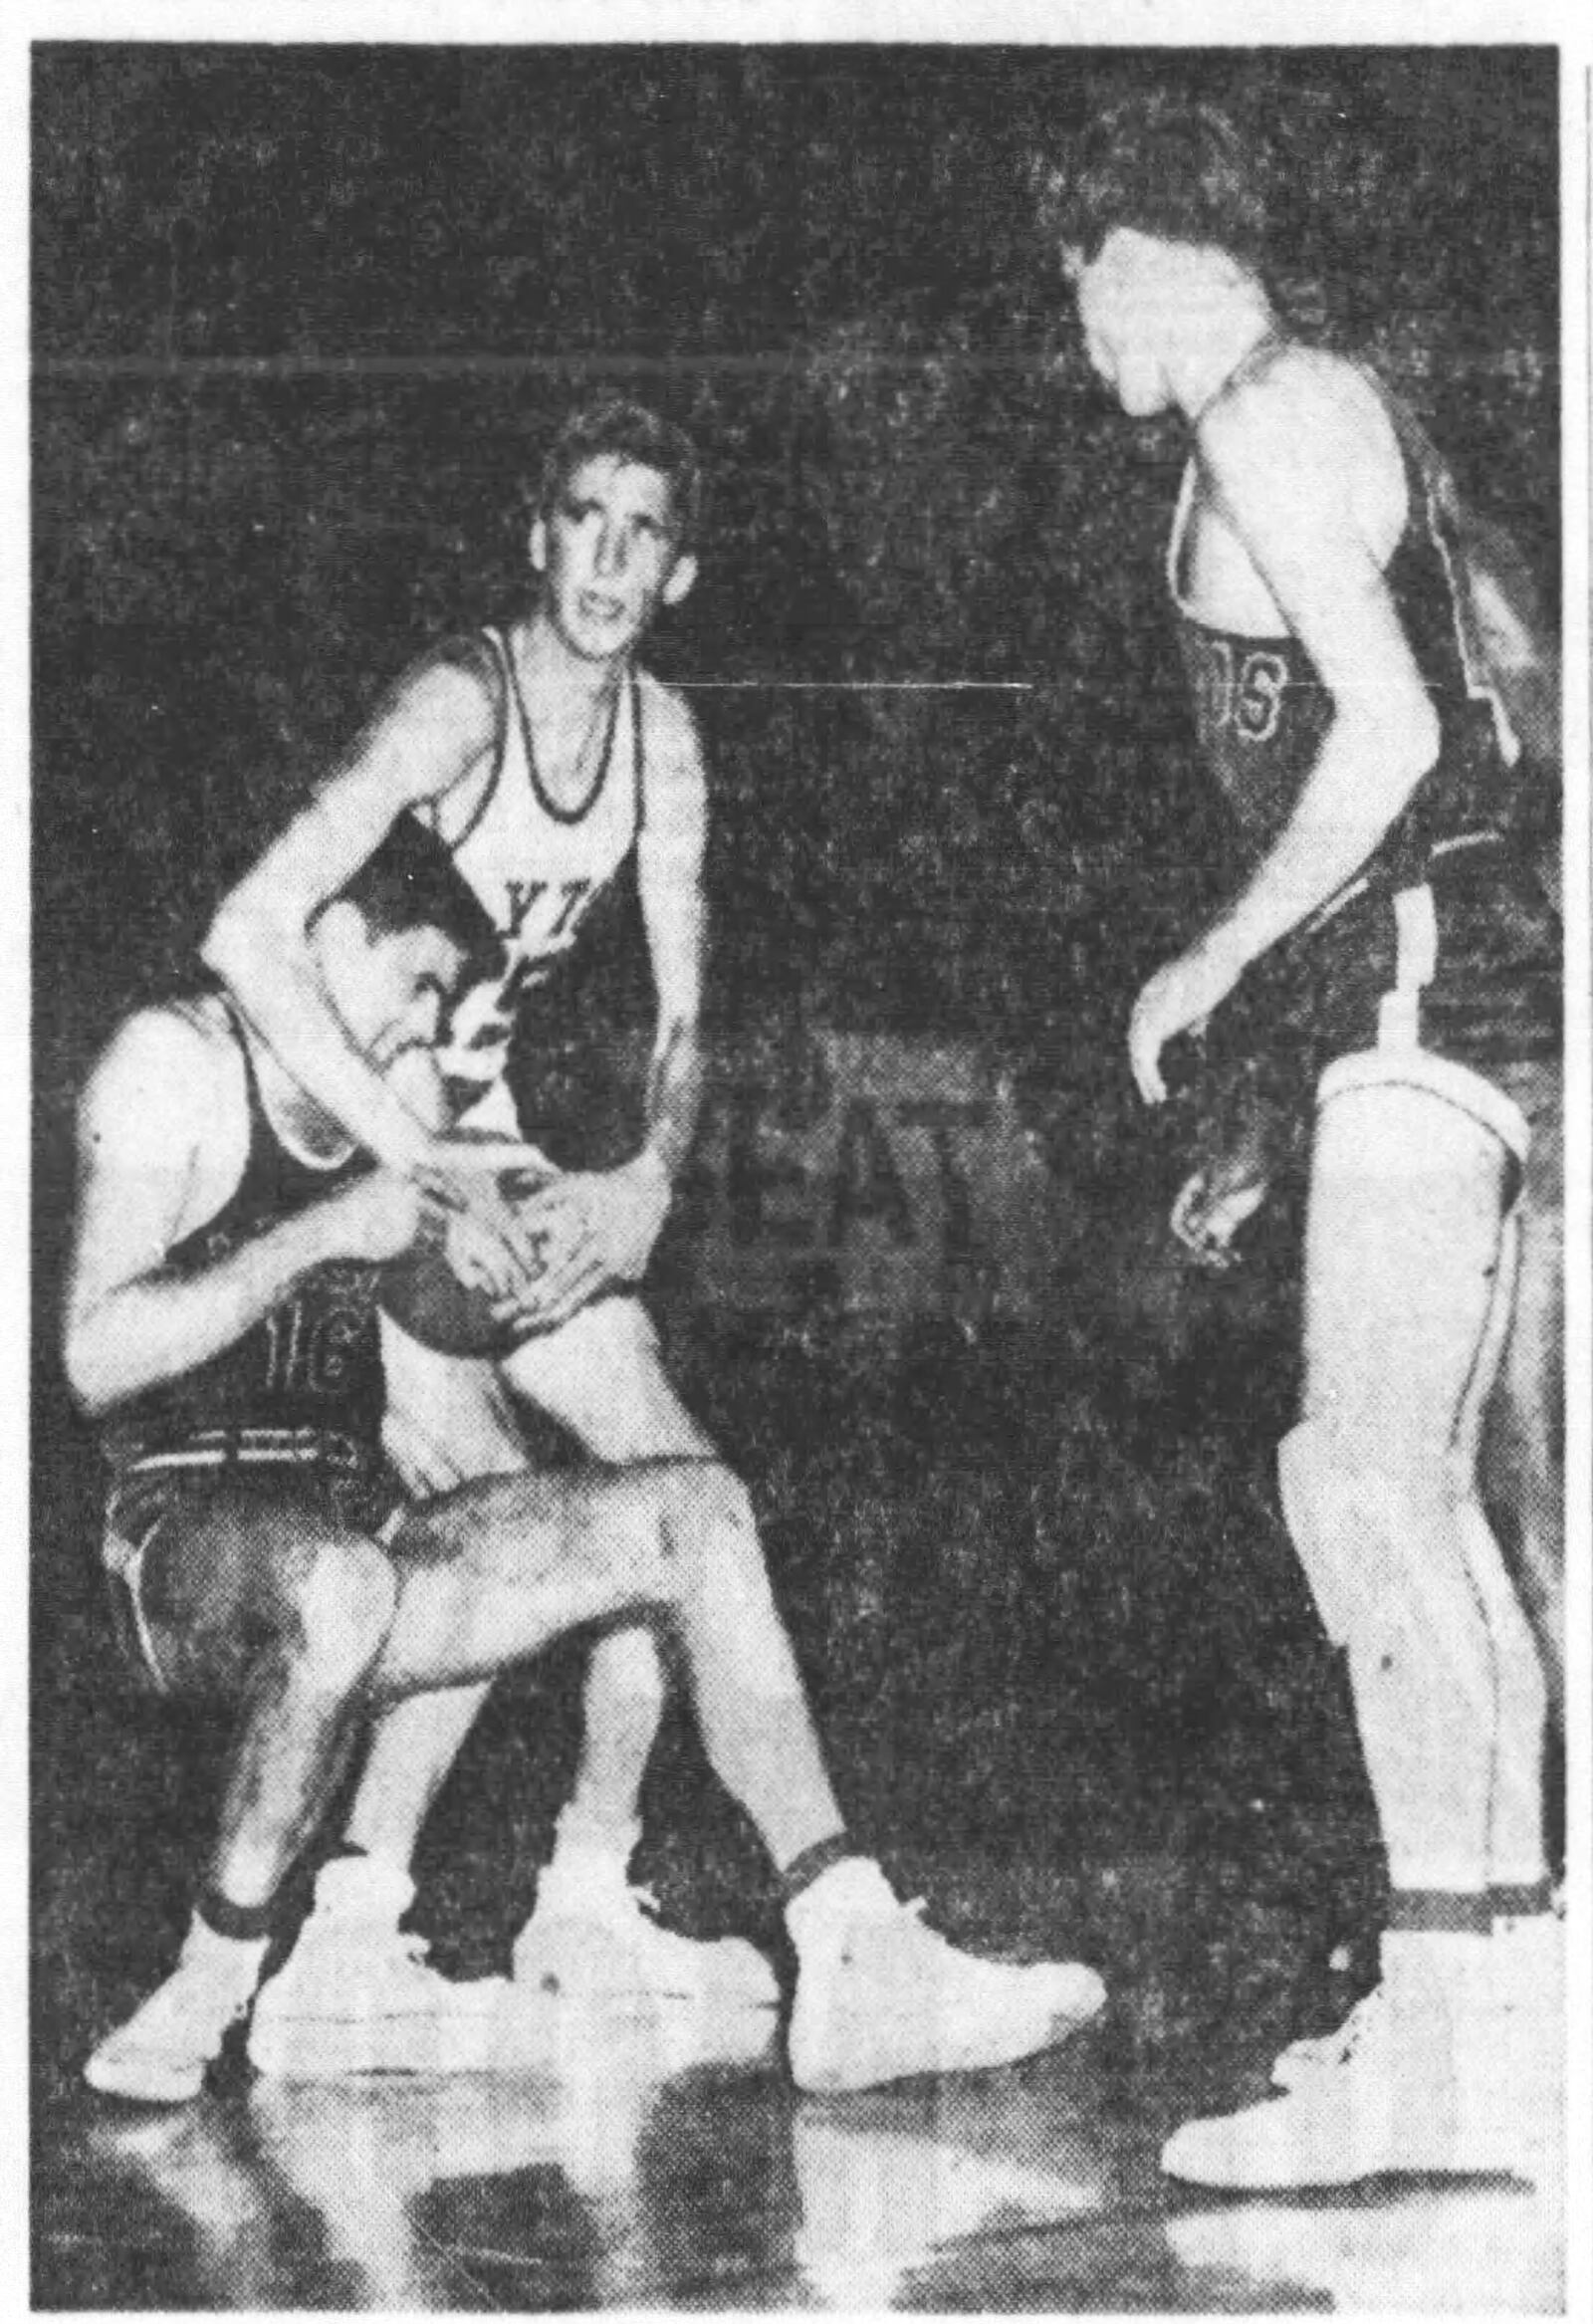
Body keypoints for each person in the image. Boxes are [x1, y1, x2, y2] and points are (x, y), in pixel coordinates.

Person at [68, 819, 1105, 2107]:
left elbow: (462, 1297)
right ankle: (208, 1979)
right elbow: (94, 1358)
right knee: (341, 1583)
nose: (426, 1036)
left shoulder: (416, 1119)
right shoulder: (174, 1062)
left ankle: (850, 1942)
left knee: (695, 1510)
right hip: (175, 1547)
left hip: (361, 1555)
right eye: (419, 987)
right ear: (330, 938)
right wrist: (327, 1232)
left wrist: (558, 1239)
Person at [1042, 97, 1563, 2190]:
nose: (1072, 349)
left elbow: (1404, 738)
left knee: (1364, 1492)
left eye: (1072, 293)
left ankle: (1468, 2036)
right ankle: (1489, 1998)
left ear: (1142, 246)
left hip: (1430, 987)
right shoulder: (1337, 406)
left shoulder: (1261, 412)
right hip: (1446, 992)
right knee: (1394, 1501)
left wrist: (1207, 961)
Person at [200, 399, 768, 2035]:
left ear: (679, 569)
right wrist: (412, 1163)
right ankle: (345, 1929)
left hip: (494, 1154)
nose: (607, 556)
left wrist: (648, 1175)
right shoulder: (463, 702)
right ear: (538, 537)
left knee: (672, 1490)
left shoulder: (662, 739)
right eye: (582, 518)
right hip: (355, 1159)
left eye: (641, 530)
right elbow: (252, 929)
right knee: (510, 1529)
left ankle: (587, 1892)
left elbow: (680, 1020)